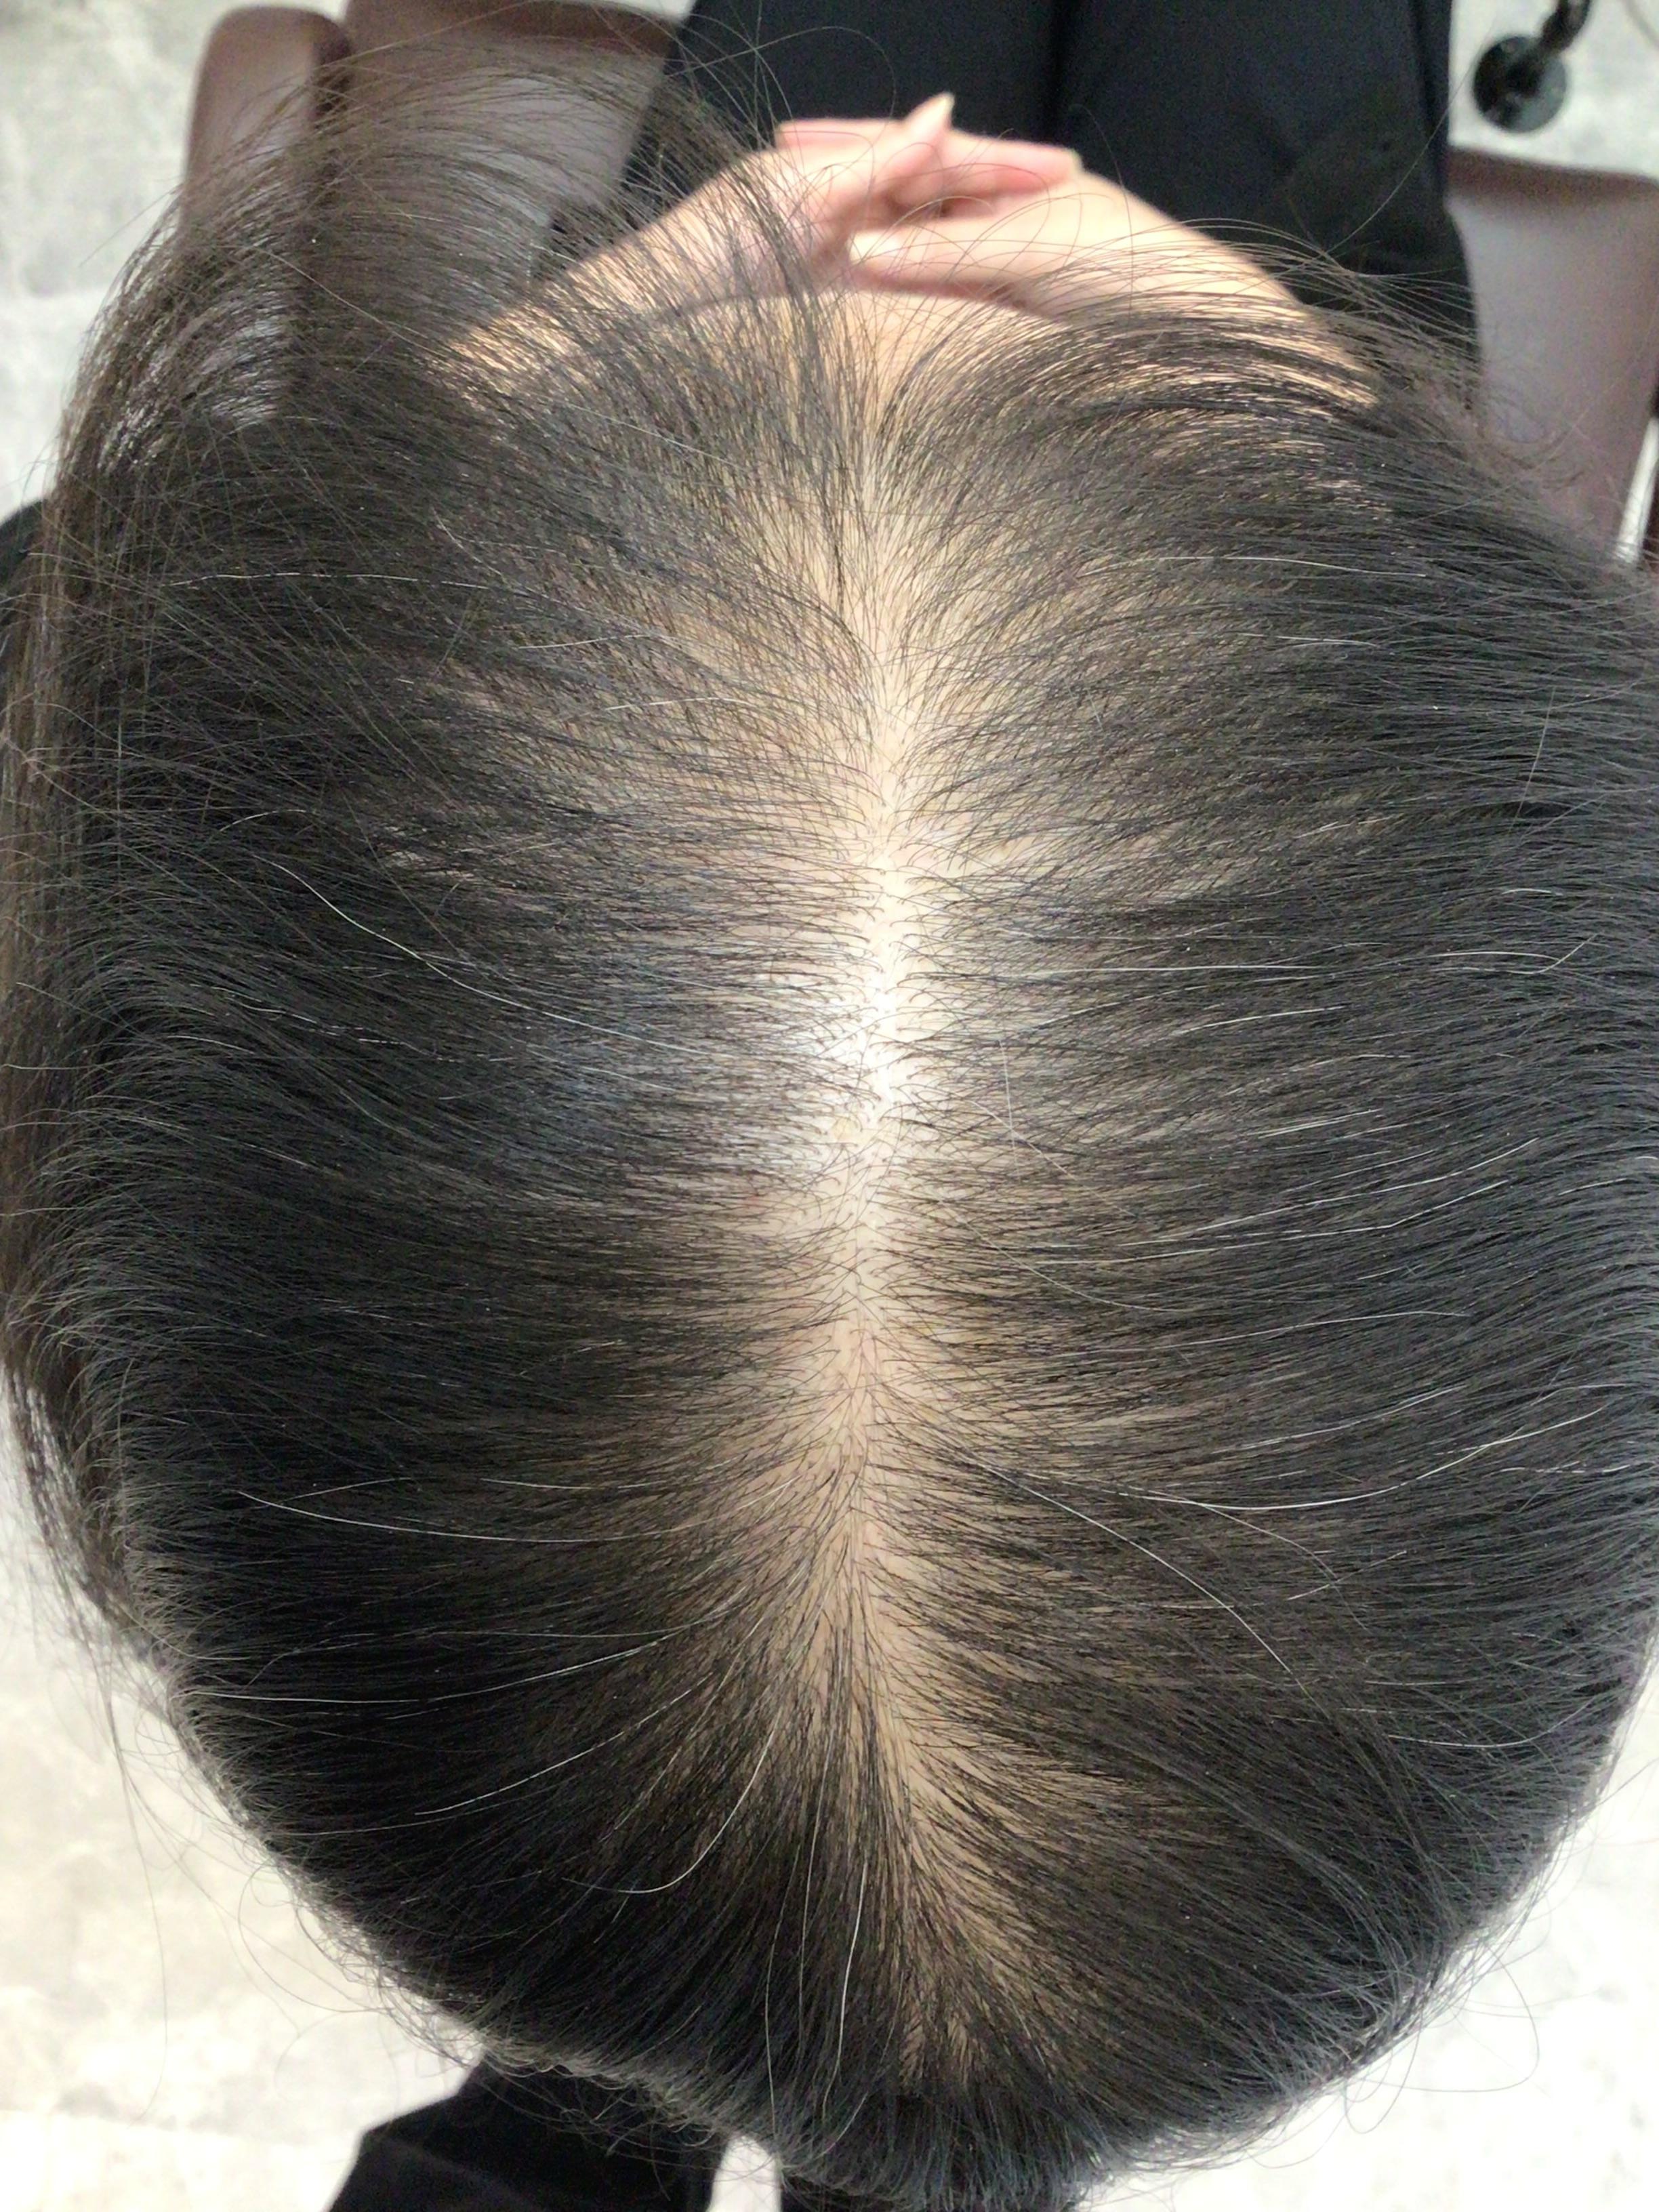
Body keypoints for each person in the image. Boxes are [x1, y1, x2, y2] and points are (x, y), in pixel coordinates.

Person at [5, 10, 1658, 2212]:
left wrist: (466, 439)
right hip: (1334, 454)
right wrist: (1322, 399)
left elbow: (85, 692)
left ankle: (741, 2049)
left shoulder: (163, 874)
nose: (912, 268)